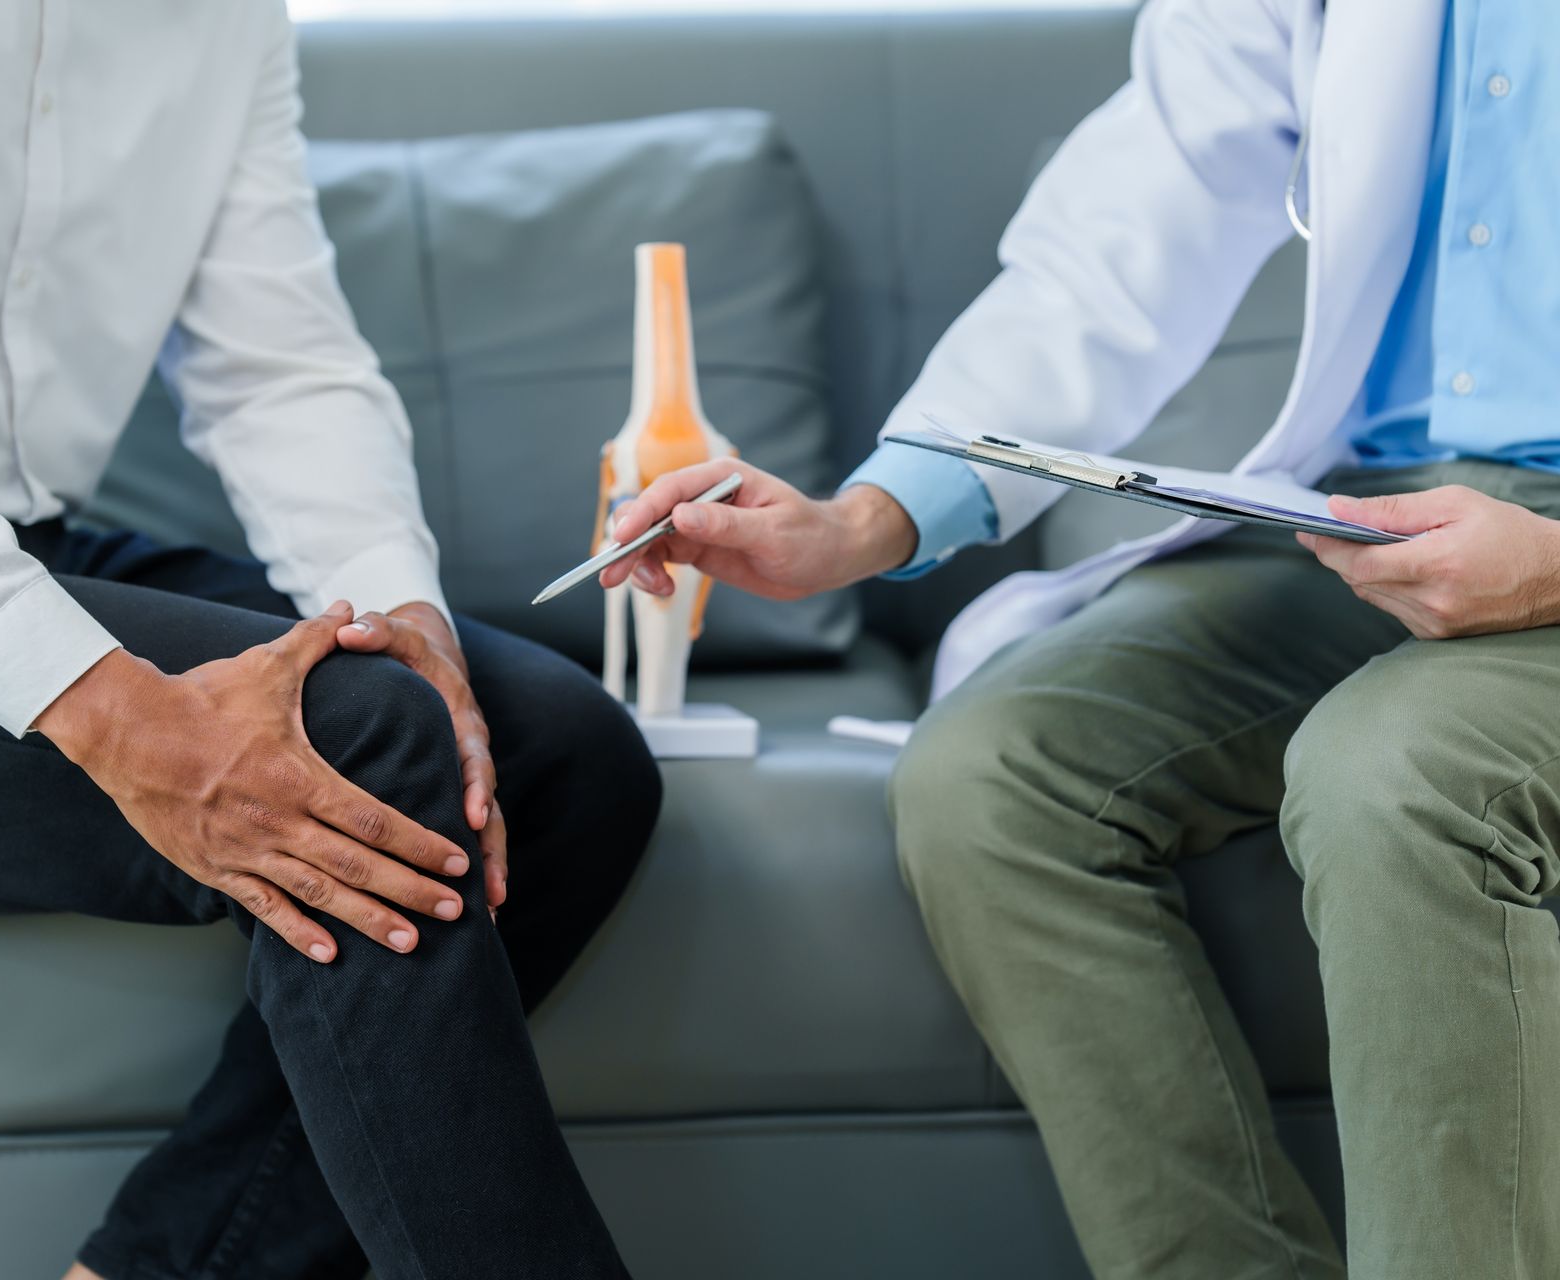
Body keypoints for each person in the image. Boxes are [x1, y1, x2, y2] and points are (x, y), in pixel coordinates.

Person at [0, 3, 660, 1278]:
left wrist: (400, 616)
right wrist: (118, 714)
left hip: (12, 531)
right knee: (366, 741)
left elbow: (278, 362)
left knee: (545, 747)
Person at [604, 0, 1560, 1276]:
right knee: (988, 776)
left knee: (1397, 772)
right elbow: (1120, 239)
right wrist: (858, 524)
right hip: (1387, 510)